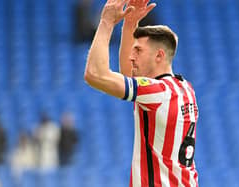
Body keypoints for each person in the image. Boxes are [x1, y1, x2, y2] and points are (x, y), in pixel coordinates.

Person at [84, 0, 199, 186]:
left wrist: (106, 22)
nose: (131, 56)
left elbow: (95, 74)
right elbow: (129, 74)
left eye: (138, 50)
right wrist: (130, 24)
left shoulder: (158, 92)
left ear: (159, 55)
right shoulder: (185, 88)